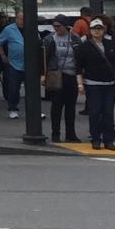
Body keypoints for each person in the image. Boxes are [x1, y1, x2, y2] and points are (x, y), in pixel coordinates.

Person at [76, 16, 115, 150]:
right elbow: (78, 67)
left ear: (103, 30)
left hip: (109, 84)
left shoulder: (111, 45)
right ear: (90, 31)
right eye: (94, 29)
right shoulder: (84, 46)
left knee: (108, 113)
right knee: (95, 112)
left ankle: (108, 140)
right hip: (92, 84)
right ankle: (95, 139)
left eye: (99, 28)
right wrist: (80, 84)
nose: (97, 31)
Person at [41, 15, 79, 144]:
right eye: (54, 26)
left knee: (70, 107)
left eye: (58, 26)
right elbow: (44, 57)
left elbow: (80, 56)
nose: (56, 28)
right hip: (56, 74)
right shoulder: (49, 39)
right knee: (56, 106)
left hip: (71, 74)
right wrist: (44, 74)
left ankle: (70, 134)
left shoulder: (75, 38)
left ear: (66, 26)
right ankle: (55, 134)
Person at [0, 8, 27, 121]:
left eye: (24, 19)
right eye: (20, 18)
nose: (22, 21)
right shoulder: (9, 29)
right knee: (14, 87)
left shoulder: (31, 28)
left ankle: (34, 109)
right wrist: (3, 55)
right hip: (14, 63)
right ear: (16, 18)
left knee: (32, 88)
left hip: (29, 63)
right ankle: (12, 108)